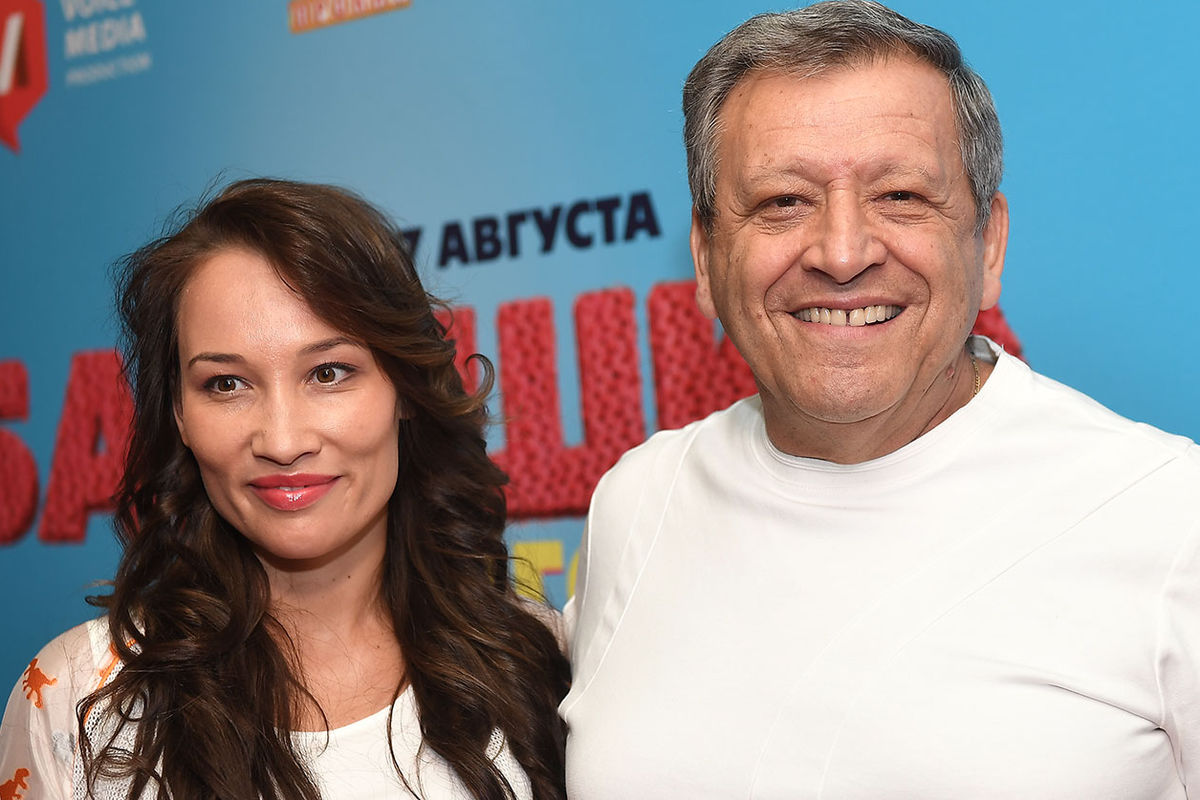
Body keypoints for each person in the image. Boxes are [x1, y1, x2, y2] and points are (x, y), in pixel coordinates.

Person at [561, 1, 1200, 797]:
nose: (841, 253)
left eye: (899, 195)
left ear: (988, 244)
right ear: (705, 256)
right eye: (783, 201)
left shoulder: (1171, 518)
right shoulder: (637, 502)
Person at [0, 179, 570, 800]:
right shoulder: (80, 698)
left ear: (404, 389)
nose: (282, 440)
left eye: (328, 372)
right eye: (226, 384)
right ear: (179, 414)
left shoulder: (540, 661)